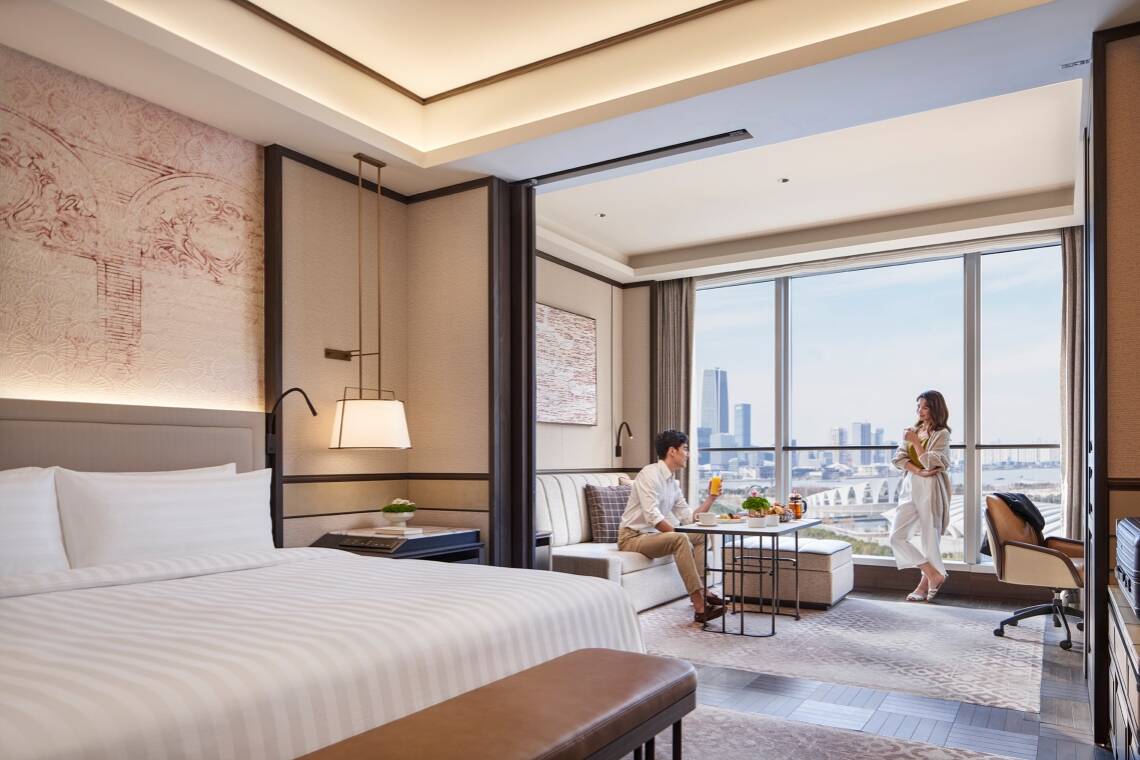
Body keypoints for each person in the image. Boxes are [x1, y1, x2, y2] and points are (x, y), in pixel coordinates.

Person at [617, 430, 725, 623]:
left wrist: (711, 498)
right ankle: (700, 607)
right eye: (685, 449)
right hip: (632, 537)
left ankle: (702, 589)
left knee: (701, 535)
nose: (688, 454)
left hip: (652, 536)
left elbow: (689, 518)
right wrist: (678, 535)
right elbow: (652, 516)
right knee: (680, 538)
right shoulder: (649, 474)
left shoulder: (672, 484)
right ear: (672, 451)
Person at [889, 390, 953, 602]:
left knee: (929, 539)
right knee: (896, 537)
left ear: (935, 408)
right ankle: (934, 574)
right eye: (918, 407)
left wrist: (916, 443)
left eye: (925, 407)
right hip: (911, 485)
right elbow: (898, 459)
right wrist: (919, 471)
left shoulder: (941, 434)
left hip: (930, 488)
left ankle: (923, 585)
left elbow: (933, 462)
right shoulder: (913, 431)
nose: (920, 411)